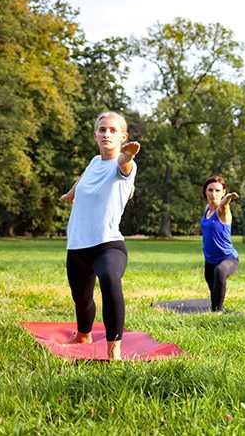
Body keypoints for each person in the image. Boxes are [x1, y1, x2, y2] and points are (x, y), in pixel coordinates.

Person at [60, 111, 139, 360]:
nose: (107, 134)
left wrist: (126, 155)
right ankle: (84, 334)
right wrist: (70, 194)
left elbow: (123, 167)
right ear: (96, 134)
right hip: (78, 244)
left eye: (113, 130)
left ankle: (113, 347)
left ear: (122, 136)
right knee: (81, 298)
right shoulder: (94, 161)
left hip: (108, 244)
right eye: (102, 129)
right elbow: (83, 179)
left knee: (109, 279)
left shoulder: (125, 165)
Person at [201, 176, 240, 313]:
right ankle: (216, 309)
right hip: (209, 260)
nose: (213, 194)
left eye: (218, 190)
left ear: (223, 191)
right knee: (214, 293)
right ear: (205, 192)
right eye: (210, 190)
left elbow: (223, 204)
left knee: (220, 271)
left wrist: (228, 198)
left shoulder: (223, 210)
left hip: (228, 258)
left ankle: (218, 312)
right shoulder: (207, 209)